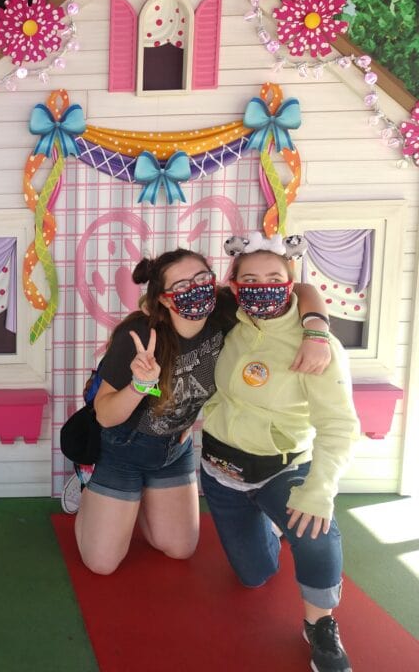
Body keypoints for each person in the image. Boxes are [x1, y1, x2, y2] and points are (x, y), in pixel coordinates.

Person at [70, 246, 331, 576]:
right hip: (123, 447)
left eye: (202, 279)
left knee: (179, 549)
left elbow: (301, 289)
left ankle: (135, 502)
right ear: (165, 298)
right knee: (102, 564)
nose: (195, 290)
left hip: (174, 450)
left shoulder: (225, 313)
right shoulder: (139, 336)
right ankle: (93, 490)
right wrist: (139, 384)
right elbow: (106, 415)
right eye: (181, 287)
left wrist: (316, 331)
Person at [199, 233, 359, 672]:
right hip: (219, 470)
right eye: (249, 278)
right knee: (253, 577)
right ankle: (270, 531)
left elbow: (339, 424)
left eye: (274, 277)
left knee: (314, 530)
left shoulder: (317, 345)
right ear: (234, 287)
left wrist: (320, 489)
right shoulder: (231, 318)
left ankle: (320, 625)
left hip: (281, 469)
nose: (261, 286)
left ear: (290, 281)